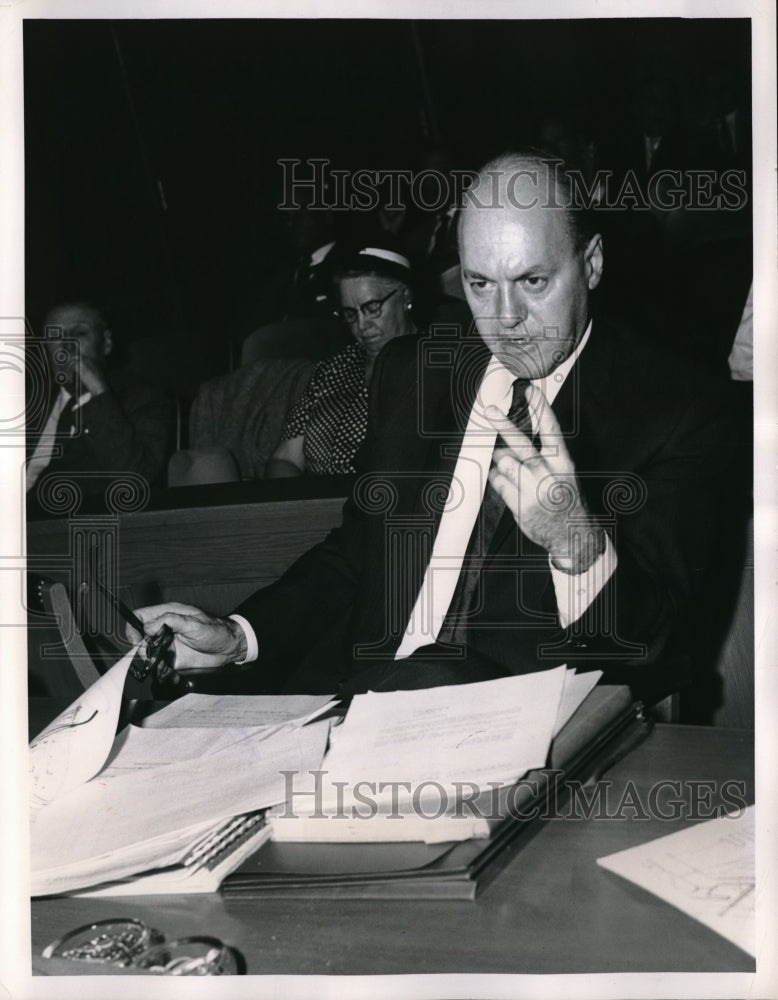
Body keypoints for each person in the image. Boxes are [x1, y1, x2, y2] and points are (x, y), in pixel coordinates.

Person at [129, 151, 732, 701]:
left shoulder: (676, 406)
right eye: (479, 285)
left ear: (592, 264)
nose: (507, 319)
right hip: (356, 703)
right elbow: (355, 555)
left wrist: (577, 544)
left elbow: (658, 640)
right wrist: (237, 635)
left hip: (523, 726)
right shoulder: (413, 372)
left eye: (533, 281)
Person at [266, 241, 419, 477]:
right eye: (350, 314)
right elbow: (285, 459)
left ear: (405, 296)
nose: (361, 325)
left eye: (372, 308)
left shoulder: (433, 366)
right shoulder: (334, 370)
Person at [26, 300, 174, 497]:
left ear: (106, 343)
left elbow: (135, 478)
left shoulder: (144, 399)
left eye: (80, 333)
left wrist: (97, 392)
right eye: (55, 336)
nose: (67, 346)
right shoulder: (24, 402)